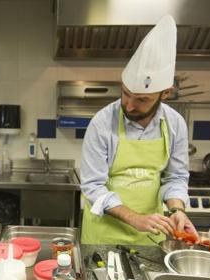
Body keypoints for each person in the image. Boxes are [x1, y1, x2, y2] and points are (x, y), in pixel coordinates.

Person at [80, 15, 198, 245]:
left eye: (142, 99)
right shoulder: (102, 122)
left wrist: (176, 211)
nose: (129, 105)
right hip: (103, 236)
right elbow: (92, 186)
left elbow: (175, 177)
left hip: (150, 235)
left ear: (165, 93)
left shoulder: (174, 124)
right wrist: (134, 218)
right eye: (125, 93)